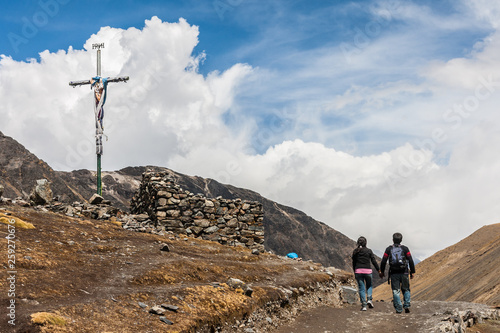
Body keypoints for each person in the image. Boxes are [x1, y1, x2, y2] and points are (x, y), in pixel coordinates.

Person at [379, 232, 416, 314]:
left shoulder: (388, 249)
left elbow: (384, 261)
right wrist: (412, 271)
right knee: (406, 289)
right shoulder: (405, 249)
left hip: (394, 273)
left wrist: (382, 271)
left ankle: (399, 309)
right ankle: (406, 305)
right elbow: (410, 259)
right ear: (401, 240)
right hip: (404, 272)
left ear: (393, 240)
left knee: (396, 291)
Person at [352, 236, 381, 311]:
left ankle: (364, 305)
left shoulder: (355, 251)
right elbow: (374, 261)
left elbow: (354, 263)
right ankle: (369, 299)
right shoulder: (369, 251)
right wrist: (378, 270)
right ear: (366, 243)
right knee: (369, 286)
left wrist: (355, 272)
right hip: (368, 271)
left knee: (361, 288)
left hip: (358, 271)